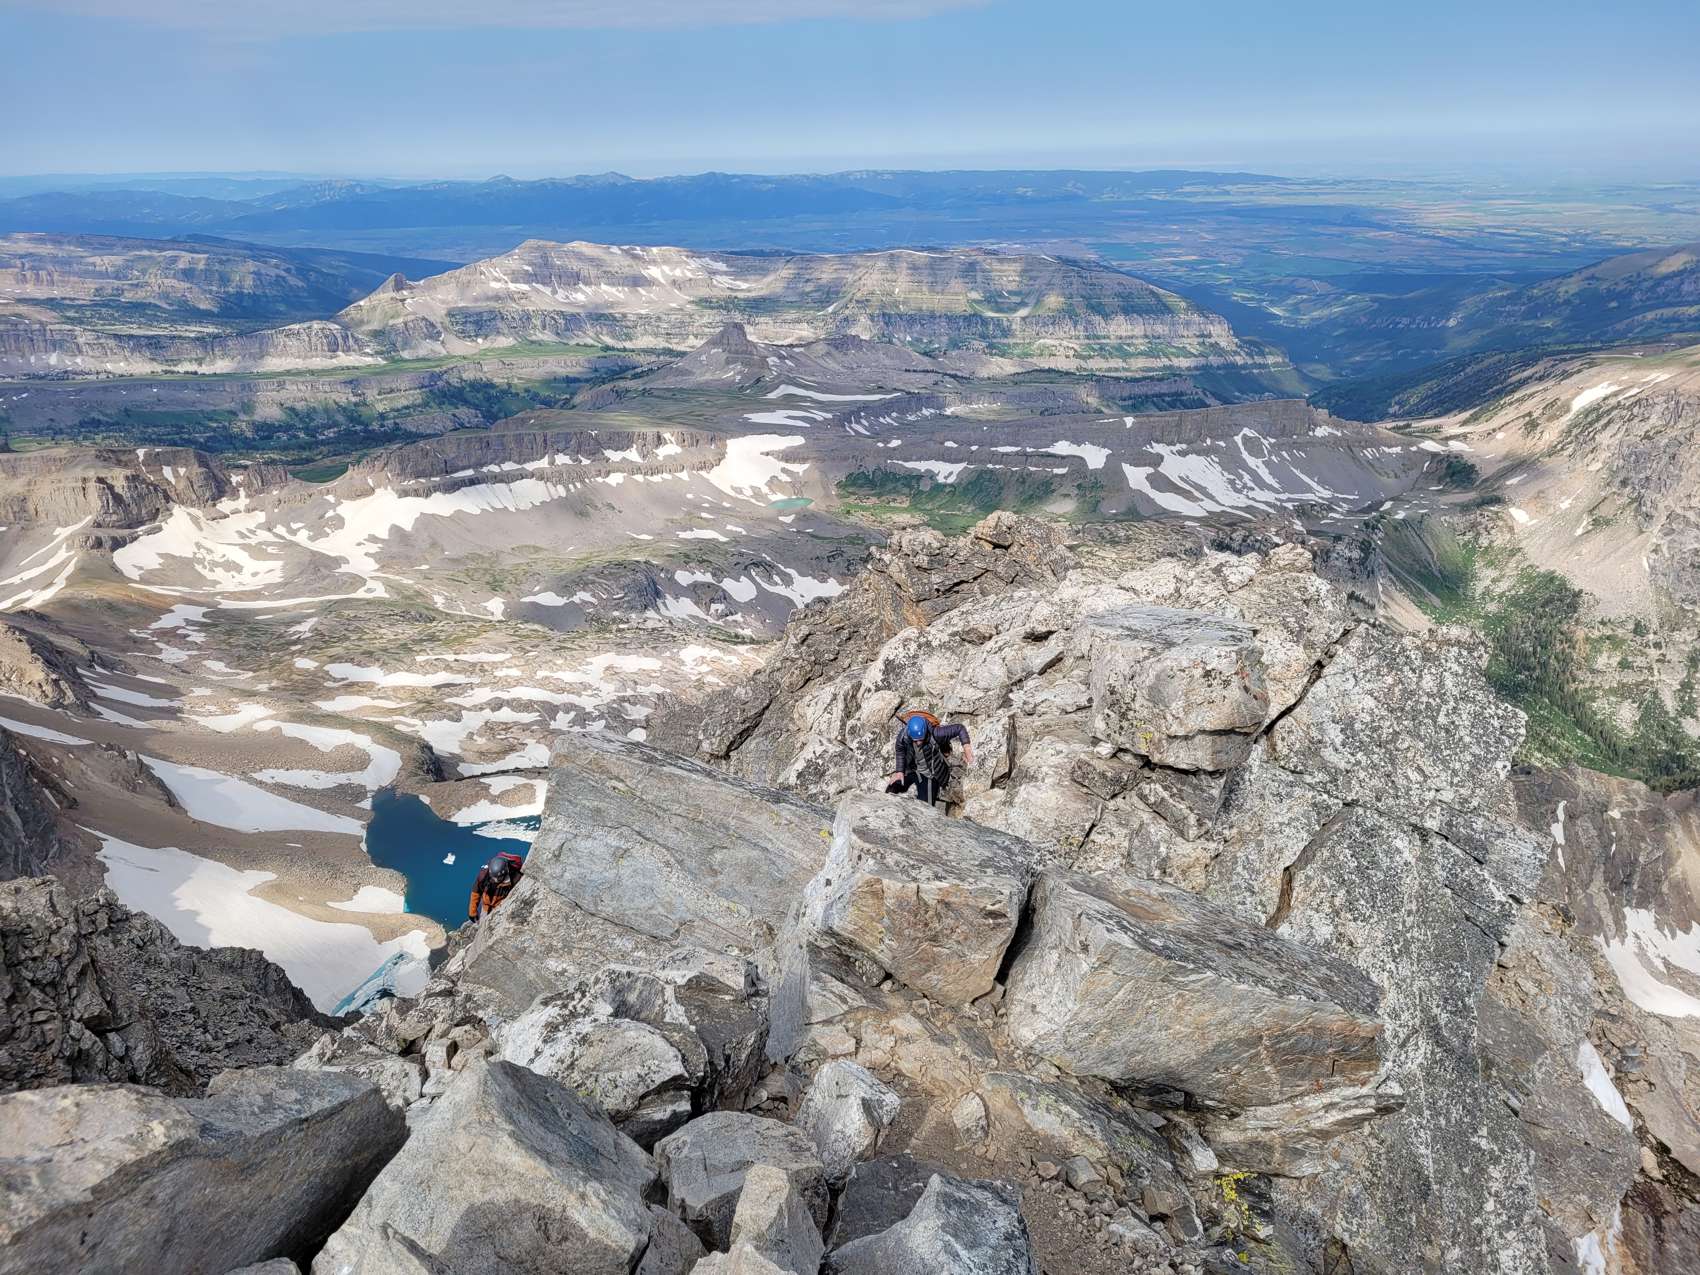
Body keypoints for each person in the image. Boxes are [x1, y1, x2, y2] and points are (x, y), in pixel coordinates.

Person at [886, 710, 974, 807]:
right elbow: (900, 751)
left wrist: (967, 748)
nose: (918, 743)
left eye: (921, 739)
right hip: (911, 769)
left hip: (930, 775)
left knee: (925, 806)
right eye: (915, 740)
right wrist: (899, 771)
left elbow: (959, 728)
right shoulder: (904, 736)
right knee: (891, 789)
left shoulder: (936, 733)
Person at [467, 849, 525, 923]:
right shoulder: (484, 875)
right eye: (493, 877)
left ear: (505, 873)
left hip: (501, 909)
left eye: (498, 878)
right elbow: (476, 892)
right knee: (483, 924)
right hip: (486, 907)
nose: (495, 880)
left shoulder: (515, 878)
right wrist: (472, 912)